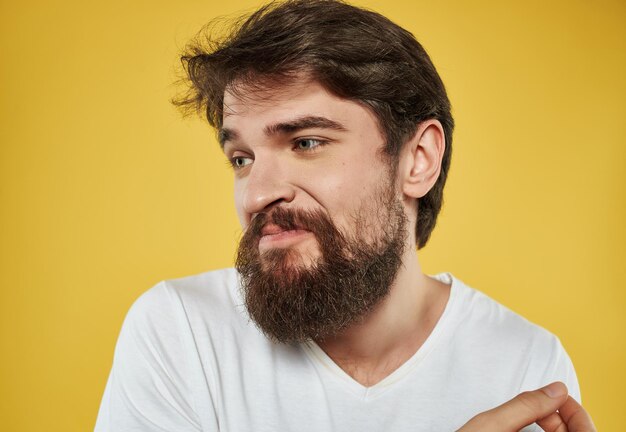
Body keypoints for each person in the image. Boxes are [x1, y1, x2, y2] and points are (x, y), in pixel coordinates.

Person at [95, 1, 596, 430]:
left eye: (306, 142)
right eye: (241, 160)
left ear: (417, 160)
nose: (256, 196)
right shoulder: (181, 331)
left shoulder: (526, 366)